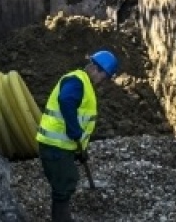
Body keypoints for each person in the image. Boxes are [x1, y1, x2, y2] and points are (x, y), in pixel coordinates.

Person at [36, 50, 119, 222]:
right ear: (97, 69)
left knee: (66, 181)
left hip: (62, 146)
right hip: (54, 146)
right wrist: (73, 130)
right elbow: (66, 101)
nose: (102, 82)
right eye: (104, 78)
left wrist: (80, 149)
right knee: (64, 185)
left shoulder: (83, 83)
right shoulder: (76, 81)